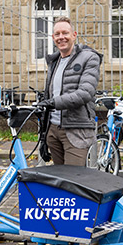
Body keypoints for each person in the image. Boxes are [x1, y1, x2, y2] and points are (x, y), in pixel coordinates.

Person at [37, 16, 102, 167]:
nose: (61, 37)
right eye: (57, 34)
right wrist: (44, 136)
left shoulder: (89, 58)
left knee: (73, 181)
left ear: (74, 35)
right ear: (53, 38)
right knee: (59, 181)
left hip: (76, 130)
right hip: (53, 130)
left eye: (65, 33)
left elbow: (85, 93)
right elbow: (50, 95)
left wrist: (53, 103)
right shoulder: (54, 61)